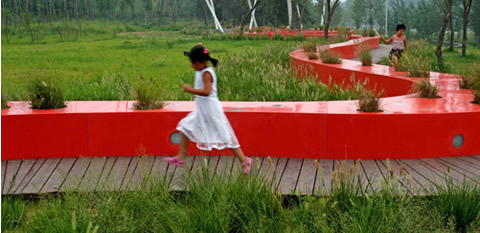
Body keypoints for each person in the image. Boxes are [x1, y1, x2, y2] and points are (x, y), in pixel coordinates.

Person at [164, 44, 252, 174]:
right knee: (185, 127)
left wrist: (190, 90)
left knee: (225, 135)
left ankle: (244, 161)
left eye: (194, 63)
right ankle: (180, 158)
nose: (192, 65)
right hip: (202, 109)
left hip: (211, 110)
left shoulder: (206, 73)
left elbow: (207, 91)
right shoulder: (201, 71)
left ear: (203, 62)